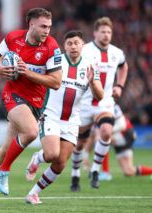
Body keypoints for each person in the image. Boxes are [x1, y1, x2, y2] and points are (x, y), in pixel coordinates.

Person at [0, 8, 62, 209]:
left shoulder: (52, 47)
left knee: (4, 150)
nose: (47, 31)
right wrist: (1, 69)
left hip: (36, 102)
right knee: (32, 131)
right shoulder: (12, 39)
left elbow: (56, 82)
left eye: (49, 27)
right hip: (13, 96)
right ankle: (4, 170)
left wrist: (25, 71)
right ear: (31, 24)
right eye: (43, 26)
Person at [24, 30, 103, 204]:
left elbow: (100, 96)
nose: (73, 46)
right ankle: (37, 158)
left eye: (76, 43)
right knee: (52, 153)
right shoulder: (56, 61)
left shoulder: (90, 66)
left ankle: (33, 193)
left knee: (60, 164)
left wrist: (92, 83)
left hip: (72, 121)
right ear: (64, 46)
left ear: (83, 45)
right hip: (51, 116)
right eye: (69, 43)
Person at [70, 17, 128, 191]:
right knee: (80, 144)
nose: (106, 35)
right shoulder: (85, 50)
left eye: (109, 32)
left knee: (106, 131)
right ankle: (75, 174)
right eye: (102, 31)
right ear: (95, 33)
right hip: (84, 103)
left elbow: (123, 67)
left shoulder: (117, 52)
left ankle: (95, 170)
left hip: (105, 103)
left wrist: (119, 86)